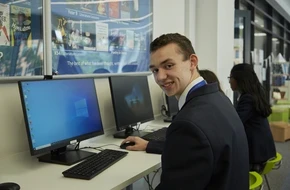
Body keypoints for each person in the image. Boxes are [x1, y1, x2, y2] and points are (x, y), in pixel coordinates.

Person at [121, 33, 249, 190]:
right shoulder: (218, 98)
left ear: (192, 62)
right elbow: (199, 148)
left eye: (168, 66)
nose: (160, 77)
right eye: (155, 70)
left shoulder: (188, 124)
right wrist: (150, 145)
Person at [229, 63, 276, 172]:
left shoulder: (247, 99)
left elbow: (235, 122)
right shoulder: (255, 94)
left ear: (238, 79)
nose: (229, 81)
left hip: (257, 157)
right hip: (265, 151)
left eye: (230, 78)